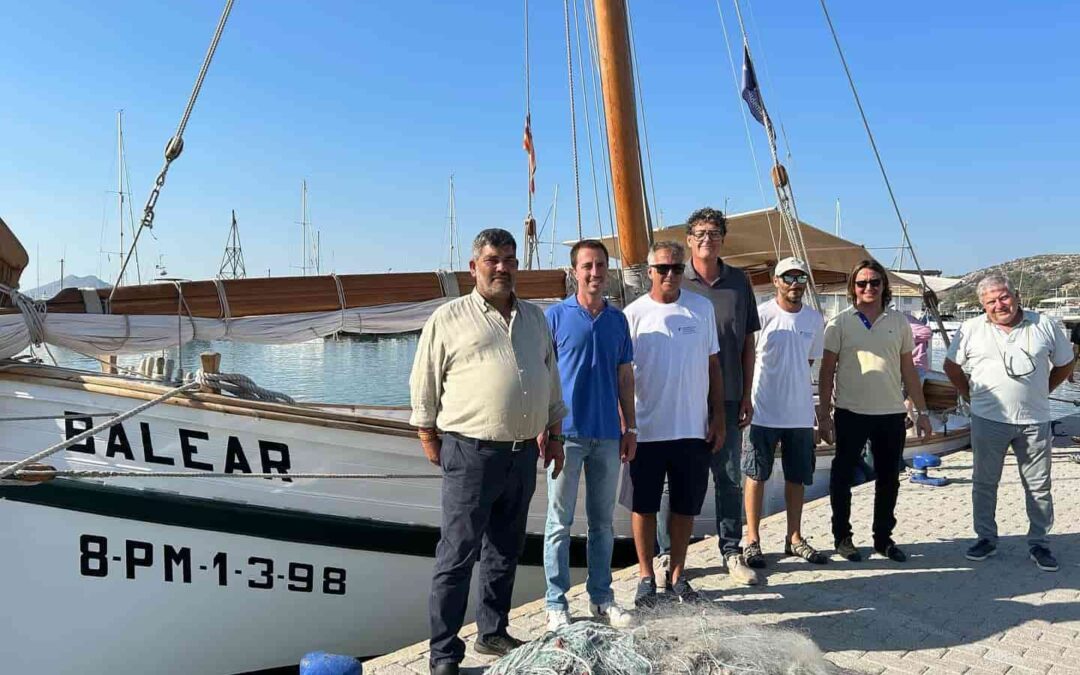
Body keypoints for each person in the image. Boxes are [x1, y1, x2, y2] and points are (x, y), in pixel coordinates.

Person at [410, 228, 567, 675]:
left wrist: (553, 431)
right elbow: (424, 381)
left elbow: (550, 377)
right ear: (474, 266)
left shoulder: (536, 318)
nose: (502, 267)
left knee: (504, 548)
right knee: (457, 554)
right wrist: (428, 436)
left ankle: (493, 631)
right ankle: (443, 654)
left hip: (522, 454)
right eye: (494, 259)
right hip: (471, 451)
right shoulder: (449, 318)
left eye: (510, 259)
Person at [943, 274, 1075, 572]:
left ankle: (1039, 543)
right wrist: (969, 395)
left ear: (1015, 295)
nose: (999, 304)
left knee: (1039, 486)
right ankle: (986, 538)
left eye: (1003, 297)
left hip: (1035, 420)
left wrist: (1044, 390)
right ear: (982, 305)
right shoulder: (971, 328)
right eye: (991, 301)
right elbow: (951, 367)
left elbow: (1067, 362)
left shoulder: (1044, 325)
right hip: (988, 420)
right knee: (985, 483)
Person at [658, 206, 759, 586]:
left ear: (723, 239)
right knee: (675, 477)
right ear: (688, 239)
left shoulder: (738, 282)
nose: (706, 239)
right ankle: (668, 551)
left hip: (730, 395)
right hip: (683, 397)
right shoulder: (675, 280)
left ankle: (730, 550)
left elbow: (748, 341)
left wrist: (747, 393)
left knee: (729, 476)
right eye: (699, 232)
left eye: (714, 232)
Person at [624, 241, 724, 607]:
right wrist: (626, 424)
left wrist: (719, 416)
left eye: (676, 268)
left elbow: (714, 365)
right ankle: (645, 575)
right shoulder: (632, 314)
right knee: (643, 505)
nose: (669, 274)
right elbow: (622, 375)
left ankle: (678, 574)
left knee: (686, 506)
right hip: (646, 430)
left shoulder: (701, 308)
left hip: (692, 428)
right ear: (649, 271)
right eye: (662, 268)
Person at [543, 239, 636, 631]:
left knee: (602, 524)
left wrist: (629, 426)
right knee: (559, 523)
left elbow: (624, 376)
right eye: (587, 266)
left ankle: (601, 597)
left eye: (600, 265)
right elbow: (542, 373)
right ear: (574, 272)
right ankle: (555, 602)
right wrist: (545, 428)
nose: (595, 273)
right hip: (567, 435)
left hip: (607, 435)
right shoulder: (555, 317)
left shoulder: (618, 321)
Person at [818, 259, 933, 564]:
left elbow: (909, 370)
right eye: (861, 283)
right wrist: (823, 415)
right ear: (852, 288)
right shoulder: (839, 323)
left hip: (890, 414)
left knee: (888, 479)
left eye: (874, 282)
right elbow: (827, 371)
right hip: (849, 412)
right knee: (841, 477)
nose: (868, 287)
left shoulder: (899, 323)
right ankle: (842, 538)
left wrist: (922, 412)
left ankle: (883, 539)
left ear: (884, 286)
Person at [742, 258, 828, 569]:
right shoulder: (761, 315)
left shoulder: (815, 320)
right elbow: (748, 361)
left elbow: (807, 363)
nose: (794, 283)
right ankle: (752, 538)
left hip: (800, 415)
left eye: (800, 277)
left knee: (797, 478)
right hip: (763, 411)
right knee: (755, 475)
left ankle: (794, 538)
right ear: (775, 281)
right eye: (788, 277)